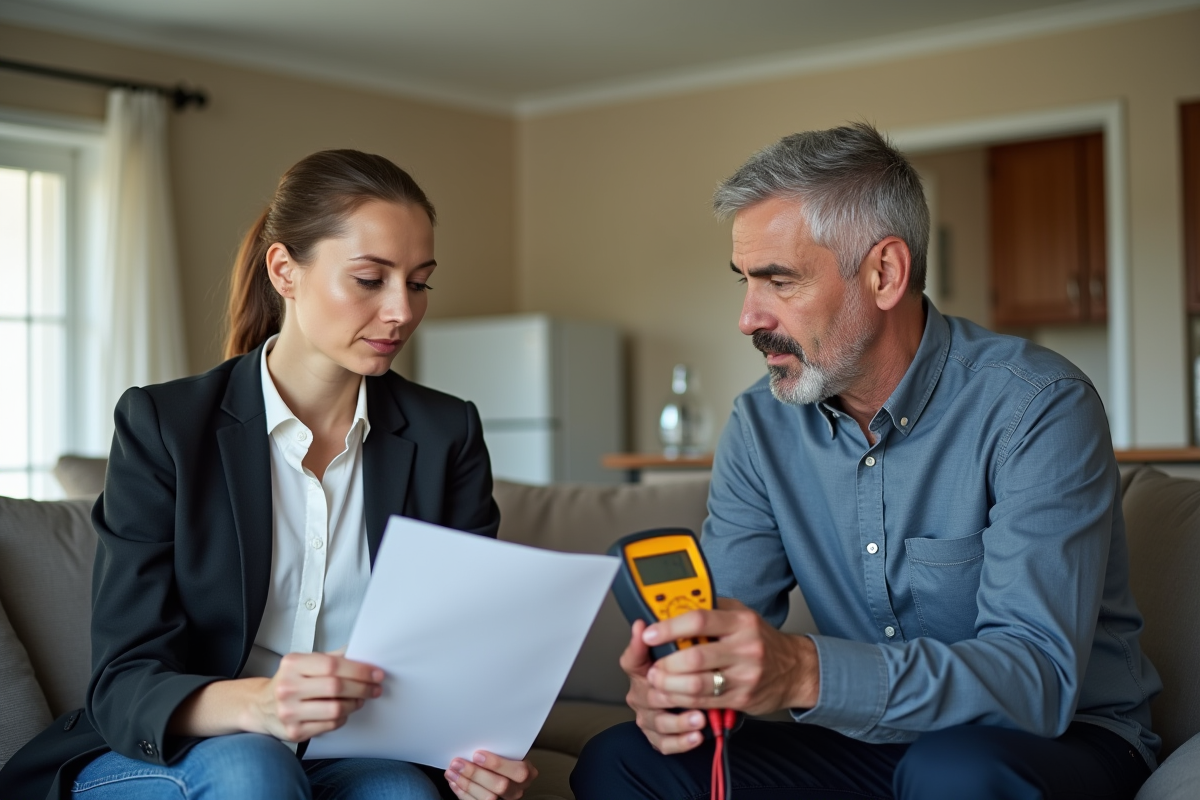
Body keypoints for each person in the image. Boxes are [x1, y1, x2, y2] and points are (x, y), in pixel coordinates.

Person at [571, 123, 1161, 800]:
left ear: (885, 273)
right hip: (869, 742)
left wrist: (804, 671)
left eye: (778, 281)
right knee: (620, 758)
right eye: (745, 281)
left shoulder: (1037, 406)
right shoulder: (761, 426)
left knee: (953, 771)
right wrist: (681, 687)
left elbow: (1036, 682)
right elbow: (725, 622)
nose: (747, 317)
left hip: (1058, 740)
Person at [0, 150, 536, 800]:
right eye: (370, 279)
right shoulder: (164, 426)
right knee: (253, 769)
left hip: (351, 749)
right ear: (284, 270)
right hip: (187, 745)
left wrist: (481, 757)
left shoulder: (446, 433)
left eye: (418, 283)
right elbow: (125, 680)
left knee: (405, 794)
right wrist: (261, 704)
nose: (402, 310)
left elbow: (463, 647)